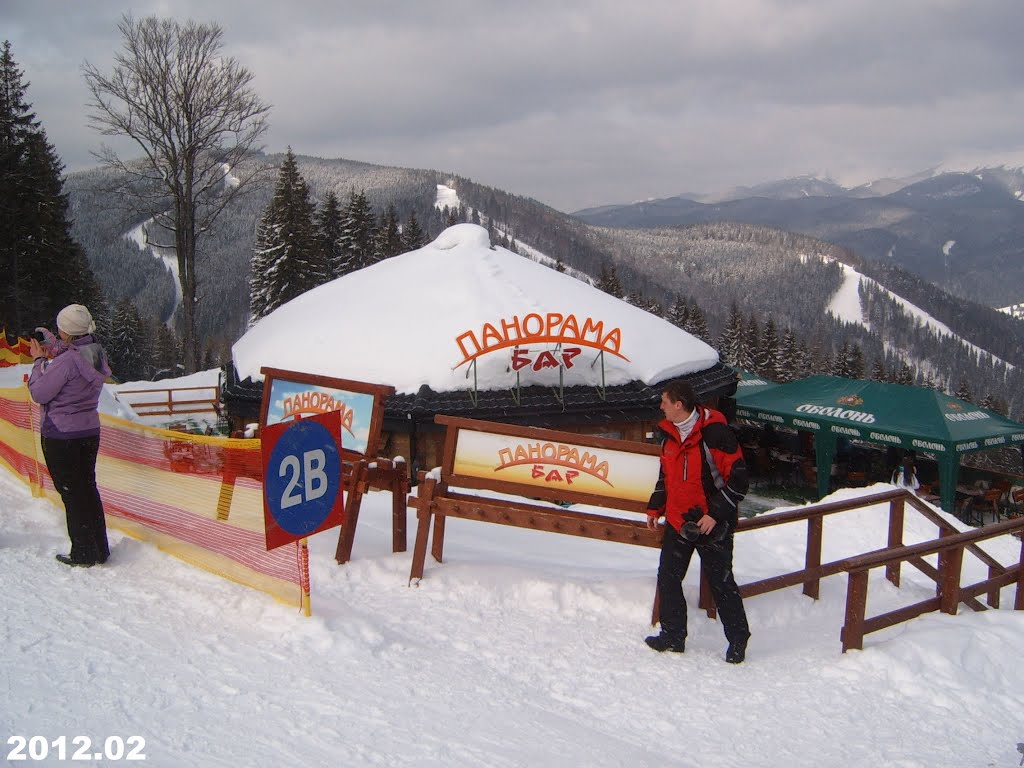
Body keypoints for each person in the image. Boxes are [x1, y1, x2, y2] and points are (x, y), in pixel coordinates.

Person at [645, 379, 751, 663]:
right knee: (668, 577)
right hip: (679, 521)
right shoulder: (668, 434)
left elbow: (739, 480)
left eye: (665, 401)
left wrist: (714, 514)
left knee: (721, 583)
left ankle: (738, 640)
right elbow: (665, 476)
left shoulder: (716, 433)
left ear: (679, 405)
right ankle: (673, 636)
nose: (661, 406)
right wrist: (656, 508)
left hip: (712, 524)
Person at [27, 304, 112, 567]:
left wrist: (39, 361)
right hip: (88, 431)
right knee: (87, 487)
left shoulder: (66, 361)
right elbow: (74, 362)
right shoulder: (94, 351)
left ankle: (83, 552)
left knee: (71, 494)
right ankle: (99, 548)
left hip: (61, 435)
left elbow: (40, 393)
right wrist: (55, 345)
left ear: (66, 332)